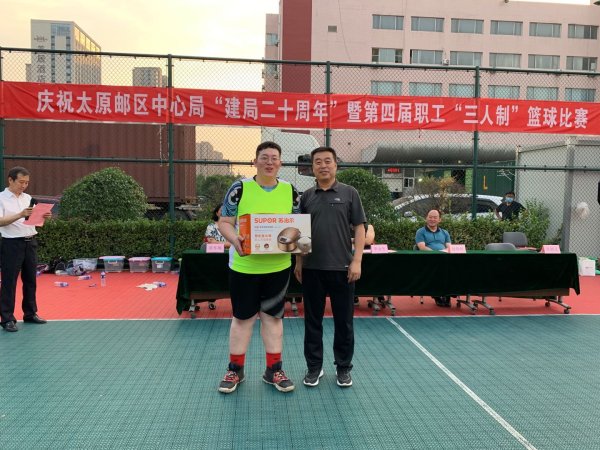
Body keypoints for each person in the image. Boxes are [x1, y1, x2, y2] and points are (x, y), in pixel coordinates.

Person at [216, 141, 300, 394]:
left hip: (278, 267)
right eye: (264, 157)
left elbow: (298, 229)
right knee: (242, 319)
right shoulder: (239, 188)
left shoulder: (291, 191)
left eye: (274, 158)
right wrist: (235, 240)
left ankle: (274, 370)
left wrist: (300, 252)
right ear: (255, 161)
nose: (269, 162)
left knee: (273, 319)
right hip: (244, 267)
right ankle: (235, 370)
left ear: (280, 163)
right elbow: (225, 222)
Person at [294, 146, 366, 388]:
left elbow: (360, 228)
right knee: (312, 322)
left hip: (342, 269)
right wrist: (299, 261)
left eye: (327, 161)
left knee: (343, 322)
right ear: (312, 167)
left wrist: (356, 260)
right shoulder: (306, 197)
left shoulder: (350, 193)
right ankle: (314, 367)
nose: (323, 165)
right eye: (318, 162)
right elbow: (300, 232)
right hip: (312, 269)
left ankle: (343, 367)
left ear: (336, 165)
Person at [0, 167, 52, 332]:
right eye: (21, 182)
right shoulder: (1, 198)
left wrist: (43, 216)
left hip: (30, 242)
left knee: (30, 280)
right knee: (9, 282)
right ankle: (7, 319)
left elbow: (34, 221)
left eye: (27, 183)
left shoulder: (28, 198)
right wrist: (20, 214)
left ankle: (30, 313)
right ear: (10, 180)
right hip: (11, 244)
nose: (24, 185)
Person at [415, 209, 452, 308]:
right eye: (430, 217)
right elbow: (422, 247)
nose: (432, 219)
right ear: (426, 218)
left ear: (439, 219)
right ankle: (436, 295)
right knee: (437, 269)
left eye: (435, 217)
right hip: (428, 260)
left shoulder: (445, 232)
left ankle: (448, 295)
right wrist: (436, 254)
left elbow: (449, 247)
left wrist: (443, 253)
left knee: (452, 269)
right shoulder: (420, 232)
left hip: (443, 259)